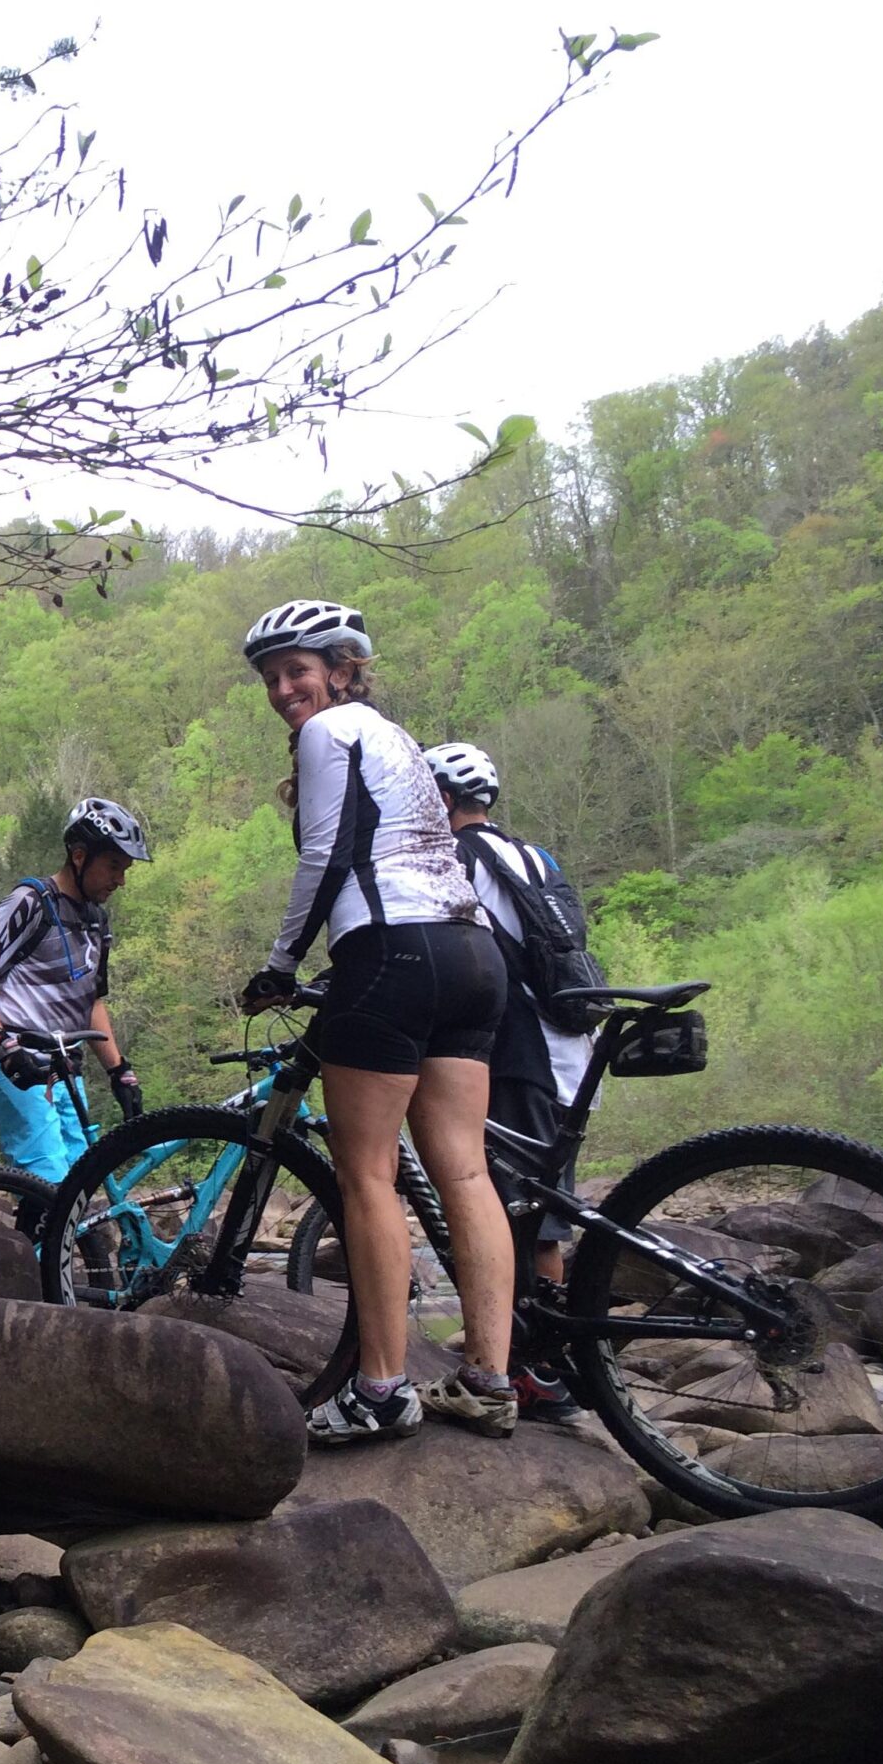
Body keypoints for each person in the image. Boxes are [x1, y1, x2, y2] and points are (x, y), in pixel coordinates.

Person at [235, 600, 518, 1444]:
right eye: (273, 677)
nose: (286, 689)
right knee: (465, 1175)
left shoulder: (332, 733)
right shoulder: (392, 736)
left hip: (392, 952)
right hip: (472, 956)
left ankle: (381, 1389)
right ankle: (490, 1380)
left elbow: (326, 854)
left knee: (368, 1178)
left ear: (342, 668)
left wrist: (280, 964)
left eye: (299, 670)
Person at [426, 740, 595, 1420]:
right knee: (543, 1209)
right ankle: (535, 1354)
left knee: (519, 1211)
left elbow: (449, 954)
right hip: (568, 1047)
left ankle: (538, 1371)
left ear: (441, 800)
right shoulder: (536, 857)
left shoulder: (458, 860)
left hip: (517, 1051)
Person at [0, 796, 151, 1188]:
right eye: (114, 866)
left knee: (82, 1185)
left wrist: (119, 1072)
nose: (120, 880)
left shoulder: (96, 919)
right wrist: (1, 1044)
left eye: (125, 870)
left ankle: (45, 1246)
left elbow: (91, 1000)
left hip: (65, 1065)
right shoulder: (29, 902)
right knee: (50, 1182)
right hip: (16, 1059)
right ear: (79, 856)